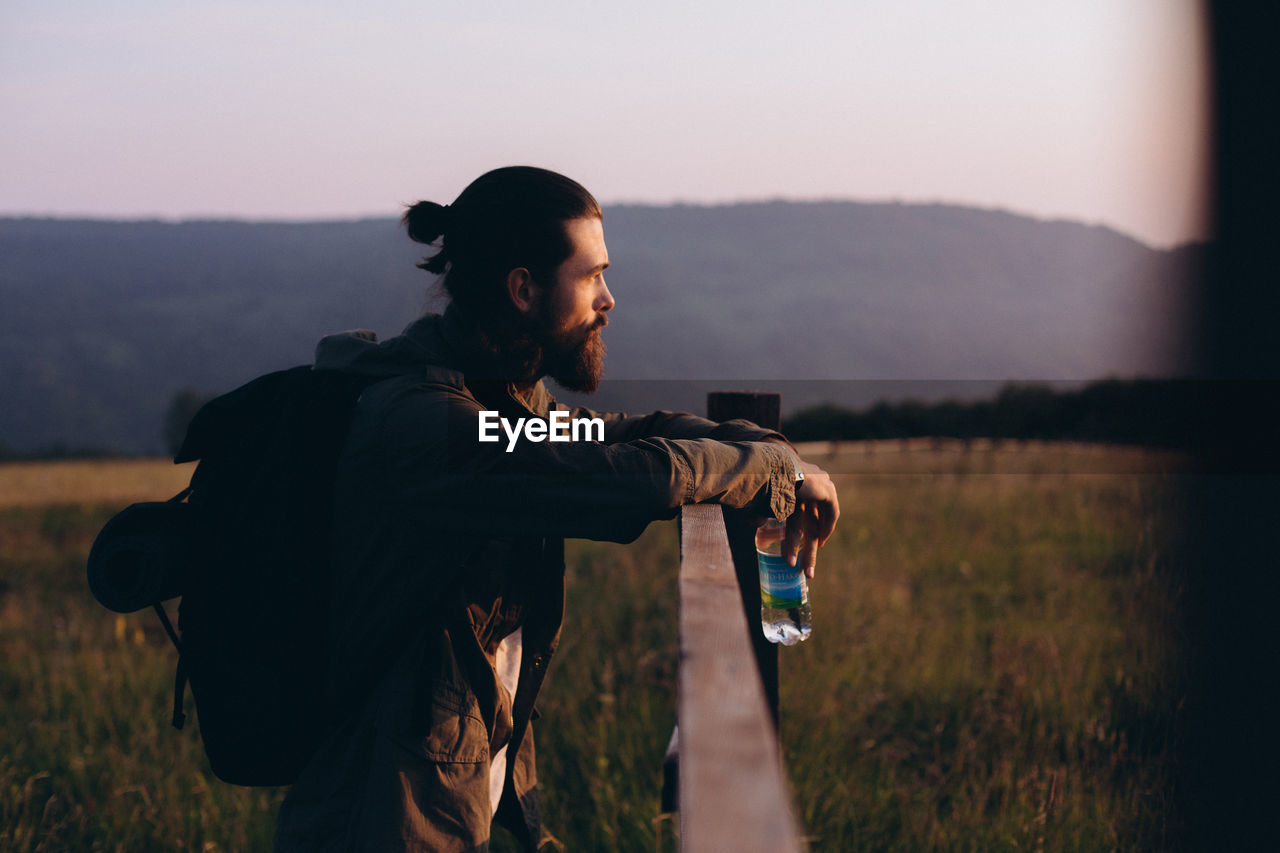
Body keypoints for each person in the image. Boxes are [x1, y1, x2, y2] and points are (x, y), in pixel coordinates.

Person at [272, 166, 839, 852]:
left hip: (440, 805)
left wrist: (771, 451)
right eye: (592, 275)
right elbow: (630, 477)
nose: (609, 299)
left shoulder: (494, 404)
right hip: (381, 821)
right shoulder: (434, 426)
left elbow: (620, 433)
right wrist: (777, 468)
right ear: (522, 289)